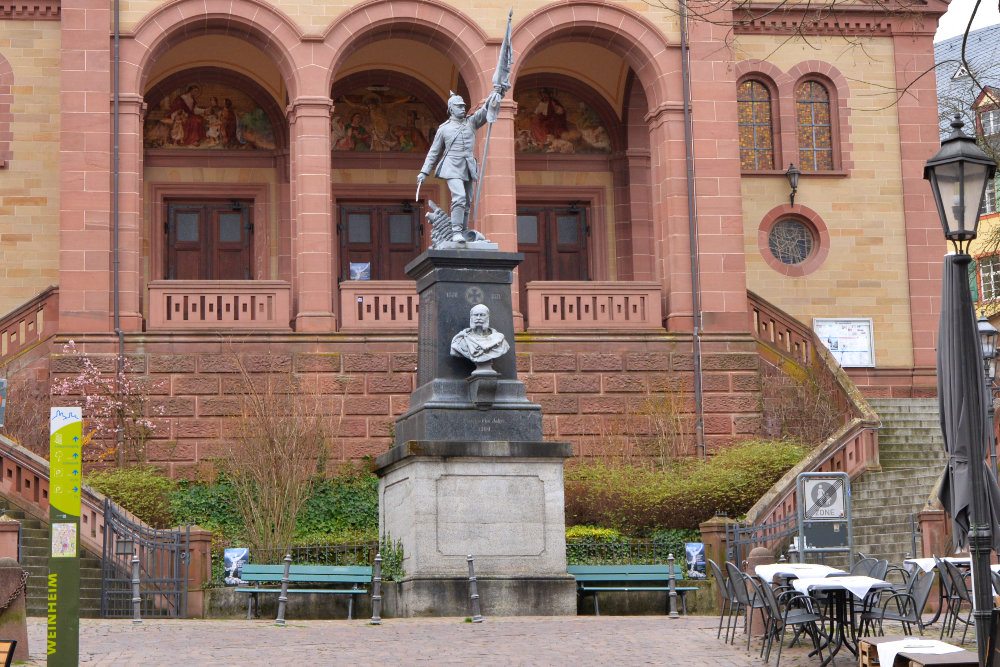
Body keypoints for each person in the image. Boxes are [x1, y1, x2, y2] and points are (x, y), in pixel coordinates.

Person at [417, 90, 501, 243]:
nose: (463, 109)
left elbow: (485, 111)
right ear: (451, 109)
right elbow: (434, 152)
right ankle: (456, 231)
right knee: (459, 197)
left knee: (467, 202)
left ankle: (463, 231)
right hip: (452, 166)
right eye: (459, 106)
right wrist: (424, 171)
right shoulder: (444, 128)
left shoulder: (472, 122)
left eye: (463, 106)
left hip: (468, 166)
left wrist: (494, 96)